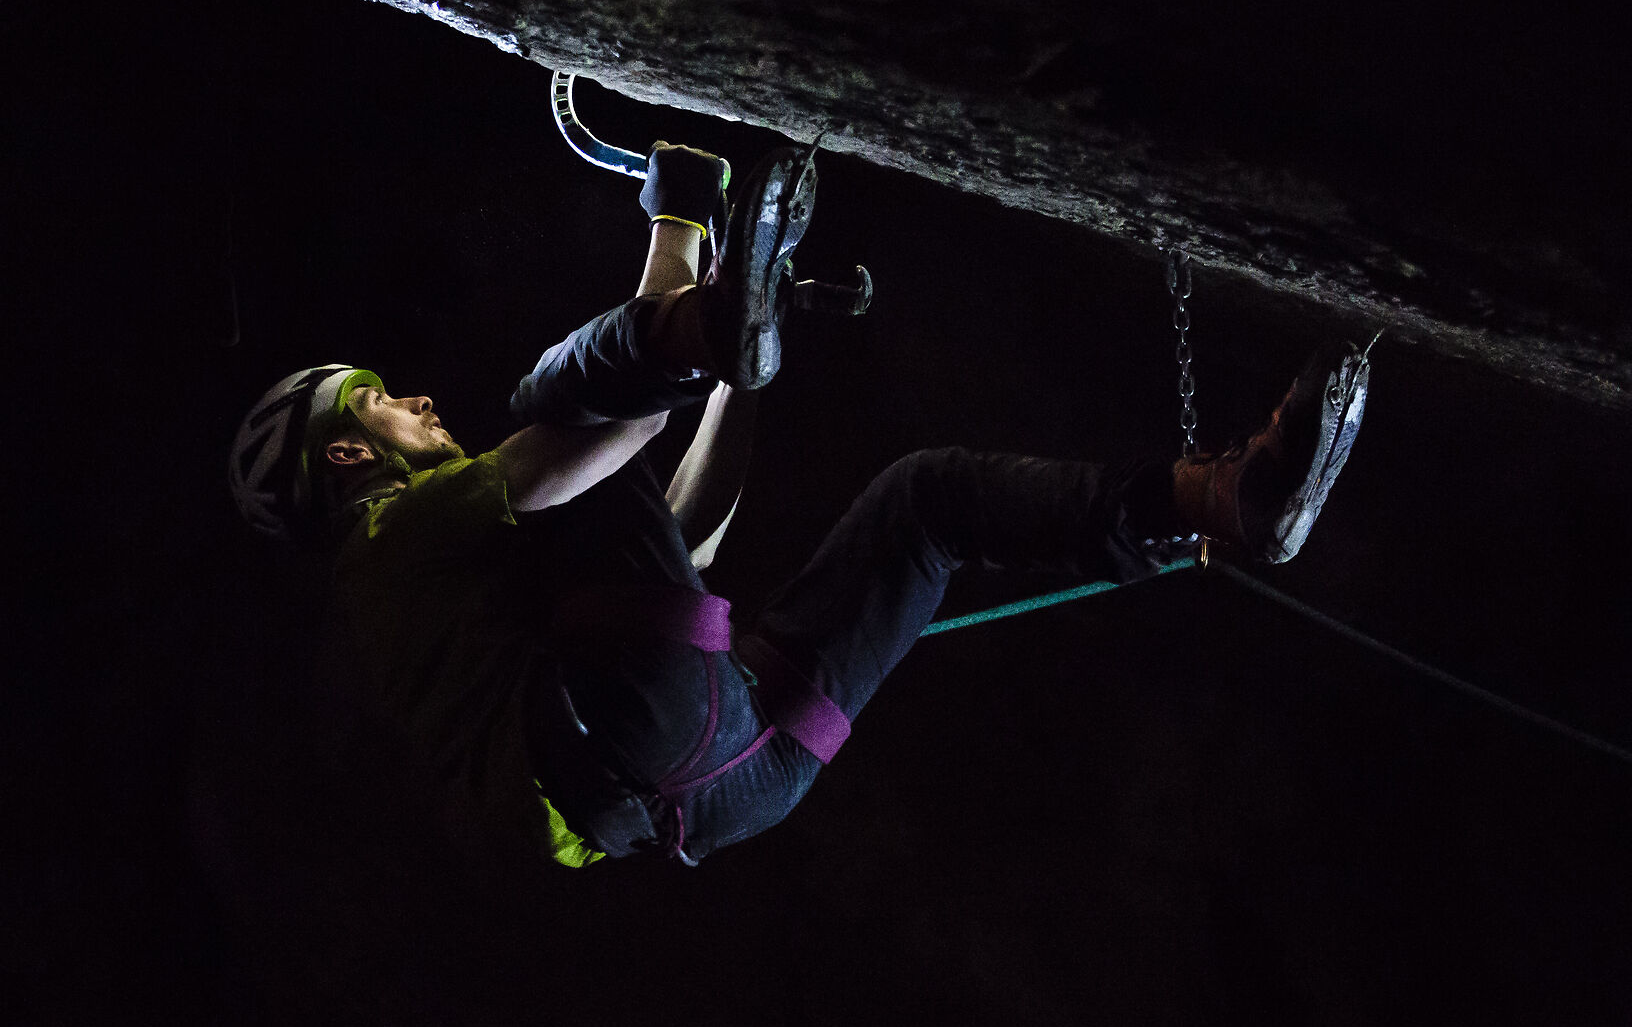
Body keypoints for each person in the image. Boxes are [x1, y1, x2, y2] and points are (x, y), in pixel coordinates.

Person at [227, 143, 1372, 867]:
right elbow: (619, 432)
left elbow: (685, 539)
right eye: (380, 402)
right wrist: (685, 232)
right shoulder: (392, 536)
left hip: (728, 785)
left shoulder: (445, 599)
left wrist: (739, 366)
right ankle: (699, 280)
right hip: (626, 726)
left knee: (926, 503)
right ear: (347, 456)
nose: (417, 400)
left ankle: (1221, 498)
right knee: (546, 398)